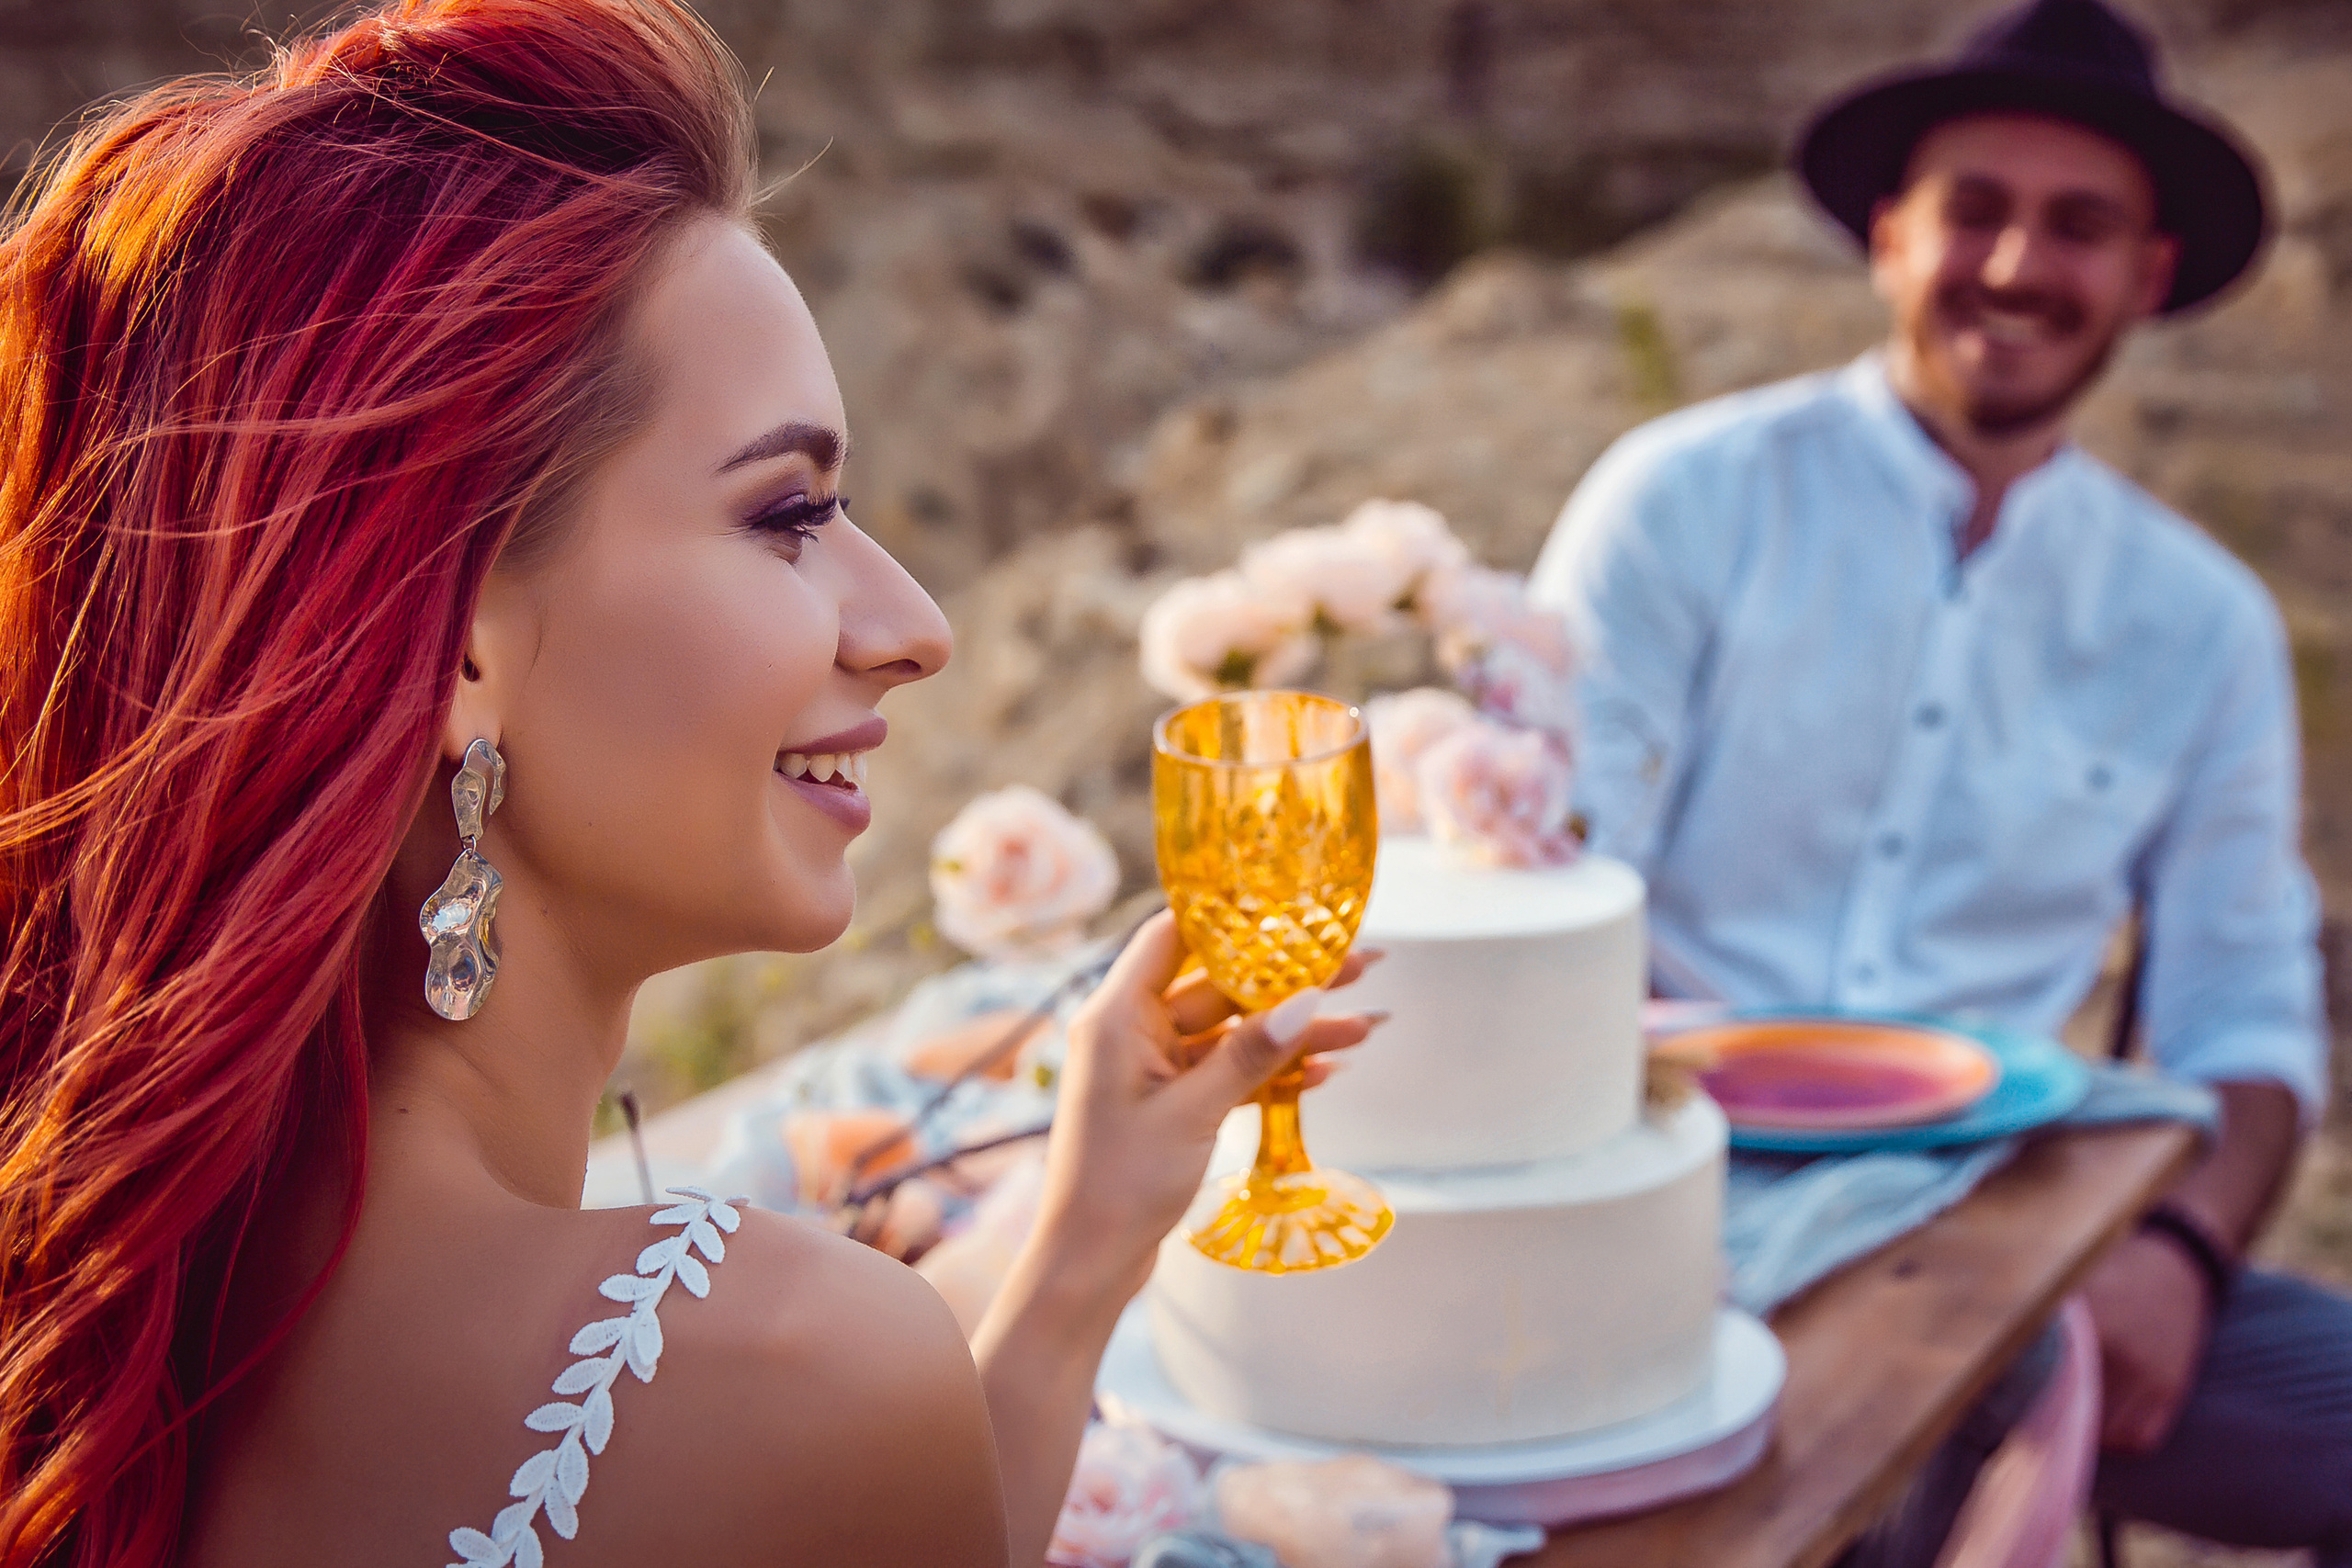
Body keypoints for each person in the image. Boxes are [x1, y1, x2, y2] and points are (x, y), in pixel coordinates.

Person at [0, 4, 1381, 1564]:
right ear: (458, 648)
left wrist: (1083, 1242)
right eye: (787, 516)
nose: (915, 627)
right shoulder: (785, 1369)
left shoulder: (99, 1294)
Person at [1531, 0, 2348, 1559]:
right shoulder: (1683, 502)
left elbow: (2244, 1015)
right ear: (1892, 235)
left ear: (2148, 275)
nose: (2020, 267)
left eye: (2081, 227)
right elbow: (1554, 881)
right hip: (1661, 1186)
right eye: (1977, 211)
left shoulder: (2201, 623)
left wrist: (2177, 1252)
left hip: (2016, 1217)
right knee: (1861, 1478)